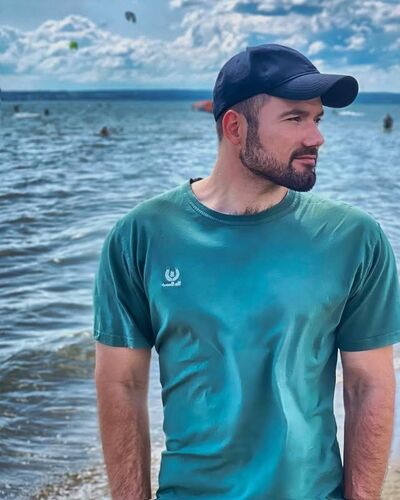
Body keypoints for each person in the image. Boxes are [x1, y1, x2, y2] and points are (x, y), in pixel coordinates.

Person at [93, 44, 400, 499]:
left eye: (318, 119)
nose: (316, 137)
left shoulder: (352, 237)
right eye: (295, 118)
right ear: (235, 128)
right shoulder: (140, 236)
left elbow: (368, 384)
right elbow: (122, 383)